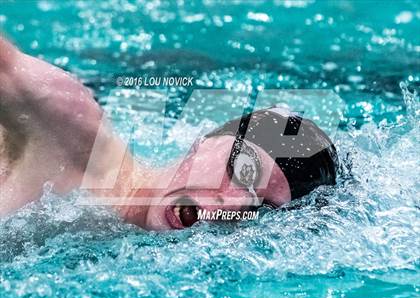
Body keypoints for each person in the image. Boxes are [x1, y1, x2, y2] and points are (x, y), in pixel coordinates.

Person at [0, 35, 338, 230]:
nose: (235, 203)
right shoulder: (67, 128)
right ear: (207, 142)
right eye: (243, 170)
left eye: (263, 207)